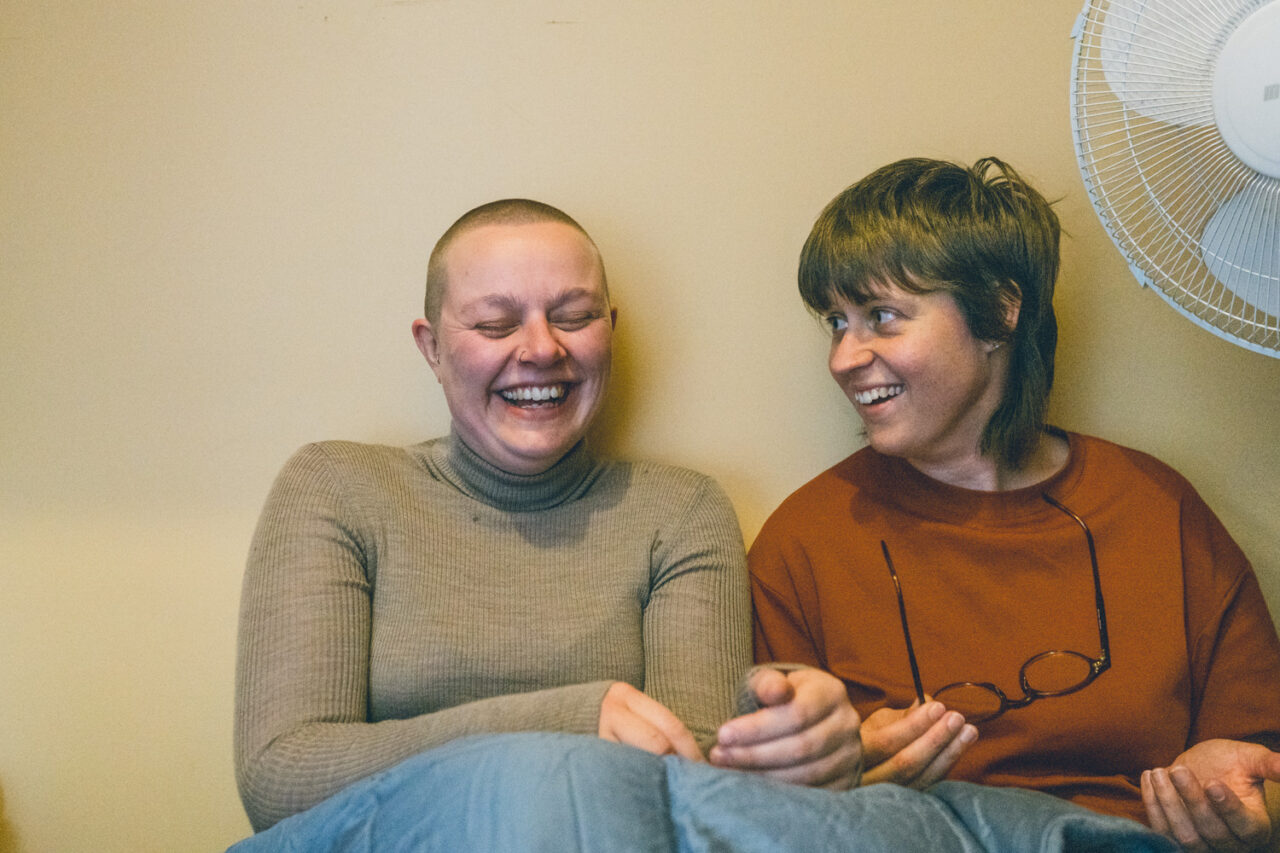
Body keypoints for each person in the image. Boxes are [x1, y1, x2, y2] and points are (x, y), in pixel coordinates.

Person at [231, 199, 862, 838]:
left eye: (574, 317)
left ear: (609, 330)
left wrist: (780, 727)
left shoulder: (680, 512)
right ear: (432, 349)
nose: (540, 348)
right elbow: (281, 779)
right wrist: (570, 721)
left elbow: (690, 775)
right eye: (495, 324)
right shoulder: (338, 487)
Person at [748, 157, 1280, 852]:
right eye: (836, 323)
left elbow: (1261, 763)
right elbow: (758, 804)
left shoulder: (1155, 507)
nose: (846, 357)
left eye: (881, 316)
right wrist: (835, 779)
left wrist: (1239, 794)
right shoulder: (804, 540)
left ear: (1000, 310)